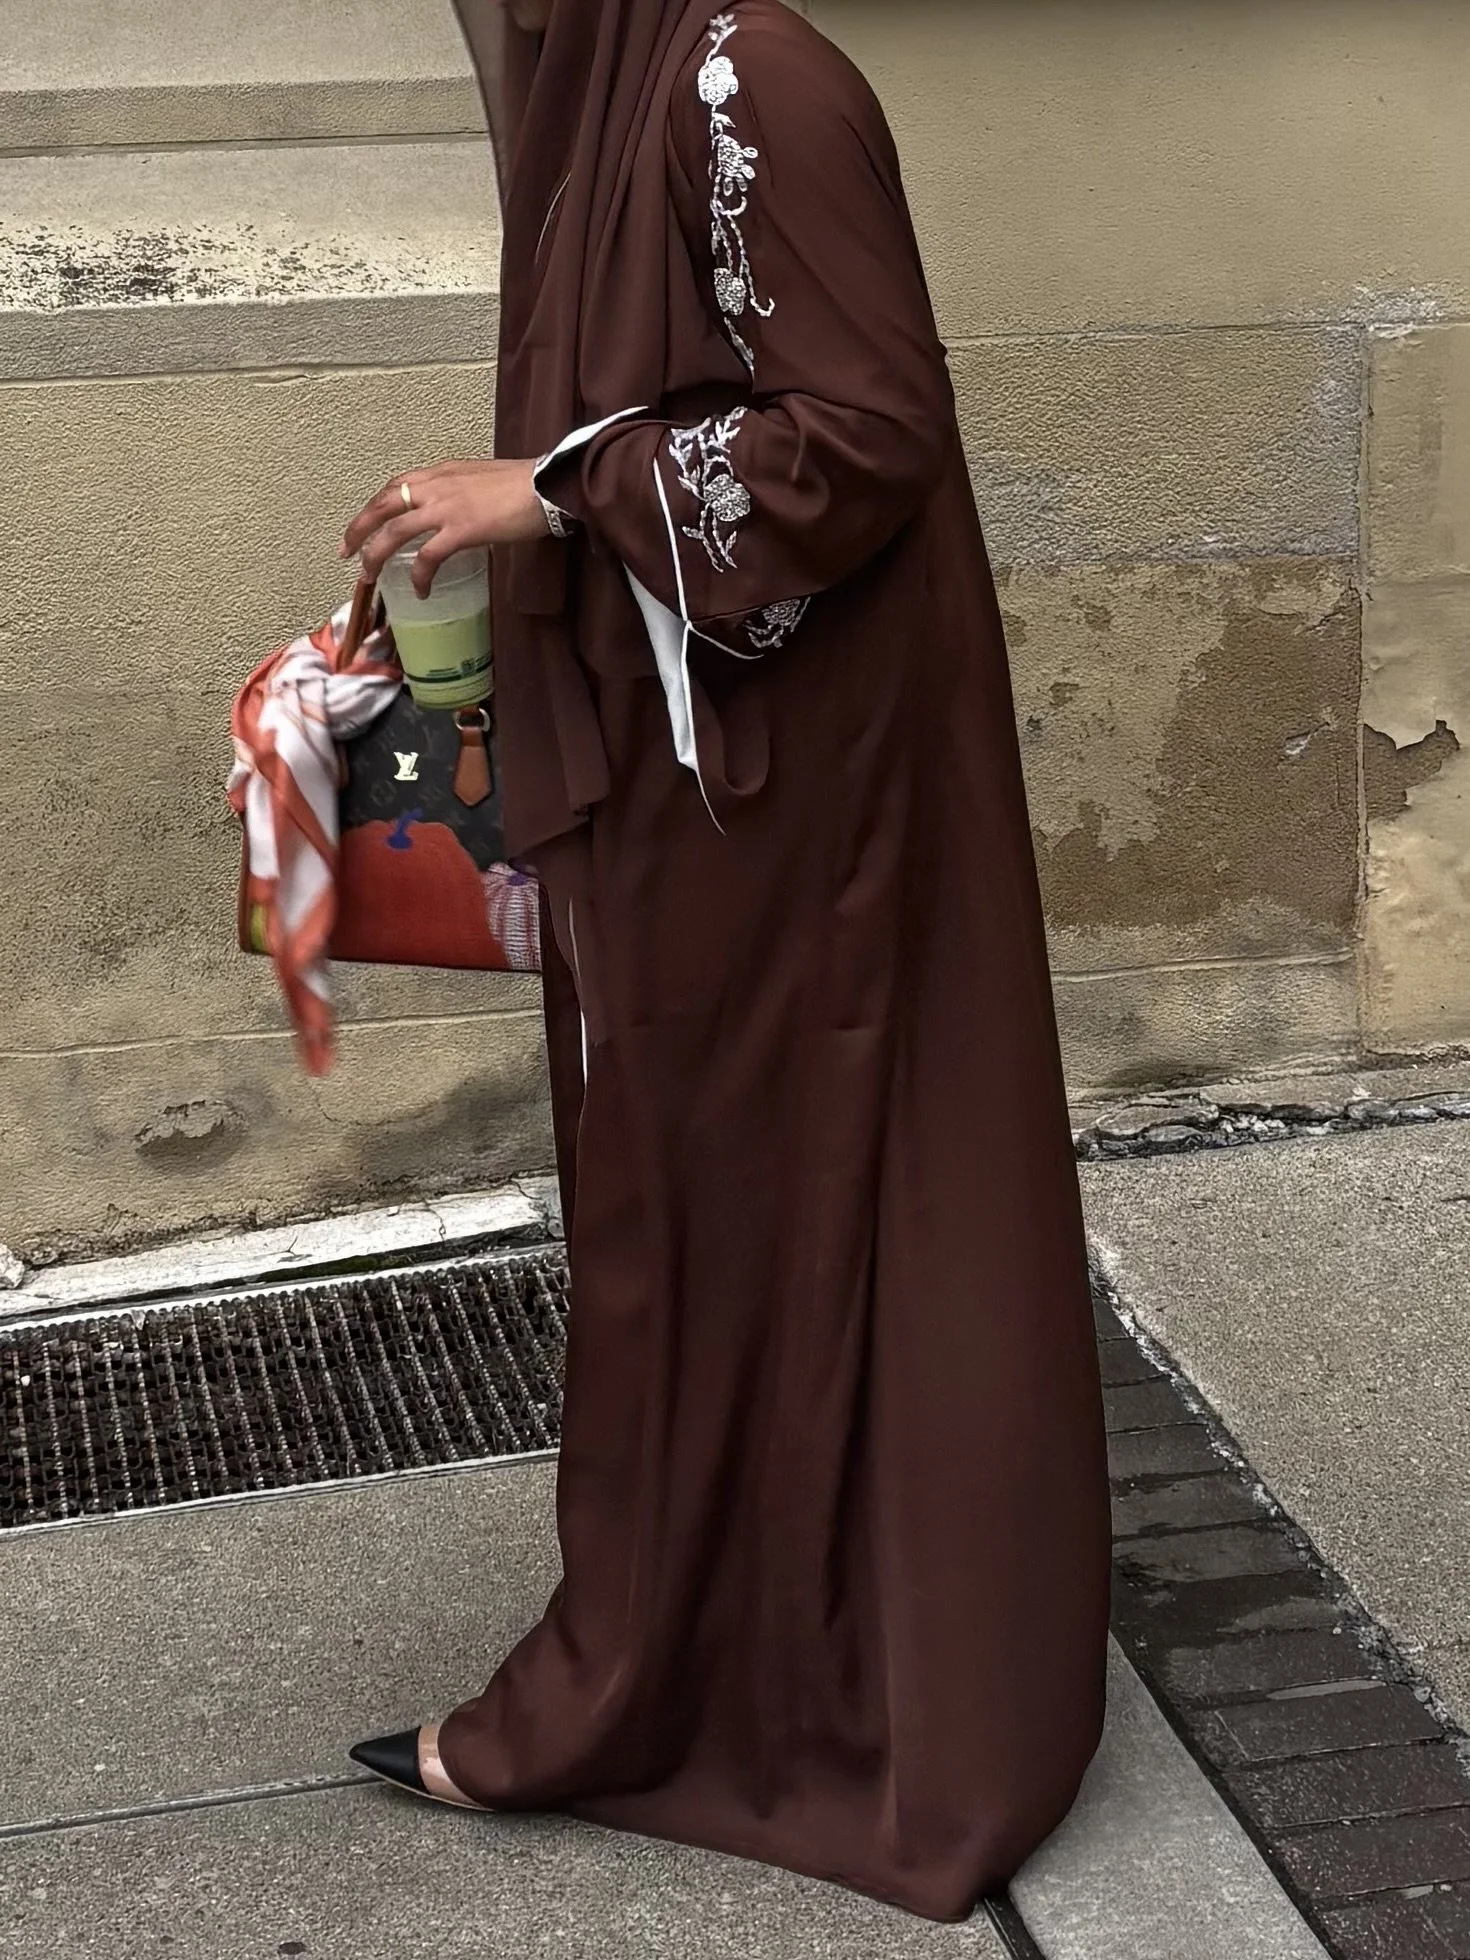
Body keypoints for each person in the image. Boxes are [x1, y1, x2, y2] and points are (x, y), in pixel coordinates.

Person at [344, 0, 1110, 1924]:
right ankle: (706, 1663)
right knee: (701, 1204)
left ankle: (775, 1698)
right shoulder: (618, 80)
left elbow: (864, 431)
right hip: (714, 777)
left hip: (795, 795)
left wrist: (554, 494)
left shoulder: (746, 79)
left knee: (758, 1197)